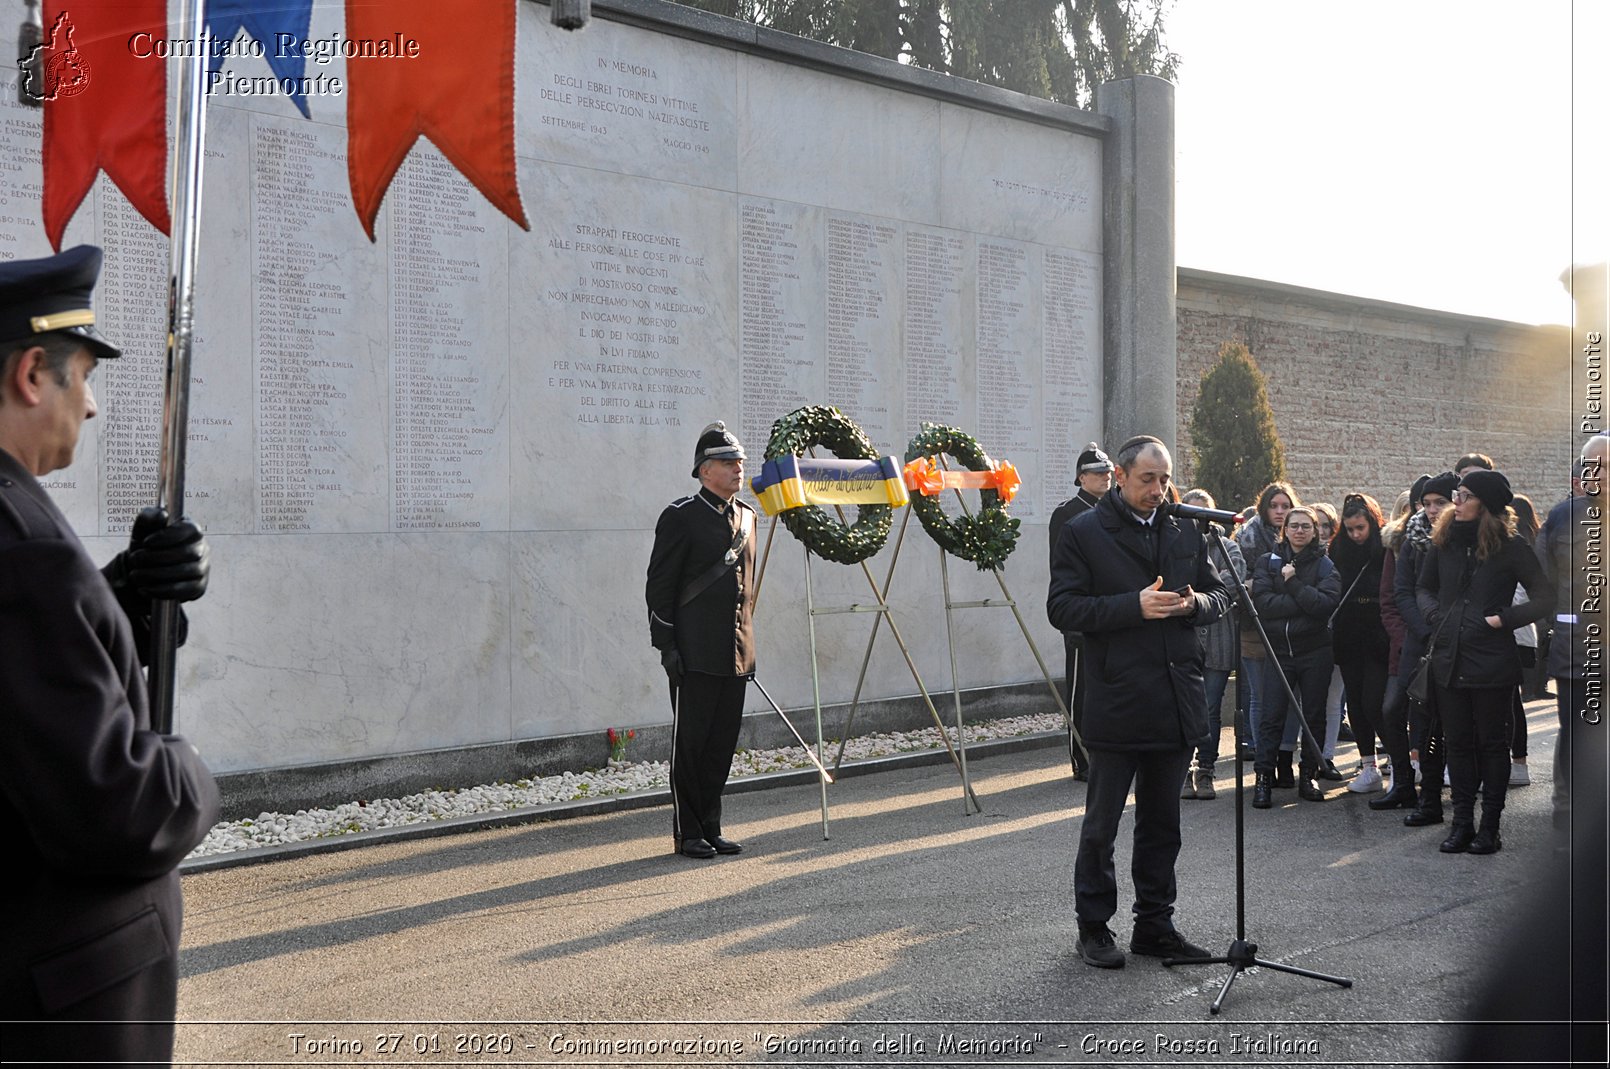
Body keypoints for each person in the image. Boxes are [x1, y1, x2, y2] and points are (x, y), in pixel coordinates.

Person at [0, 246, 219, 1063]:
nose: (90, 406)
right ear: (31, 373)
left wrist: (120, 593)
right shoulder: (23, 543)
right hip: (53, 998)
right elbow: (112, 806)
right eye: (82, 375)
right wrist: (187, 769)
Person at [1047, 435, 1228, 969]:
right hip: (1117, 698)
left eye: (1165, 478)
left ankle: (1155, 924)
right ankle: (1094, 928)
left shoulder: (1185, 528)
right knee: (1101, 826)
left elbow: (1220, 595)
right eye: (1147, 479)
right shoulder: (1083, 531)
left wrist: (1196, 603)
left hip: (1174, 699)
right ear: (1120, 477)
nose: (1159, 489)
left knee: (1162, 824)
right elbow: (1063, 608)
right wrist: (1134, 606)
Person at [1416, 469, 1551, 855]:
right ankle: (1461, 824)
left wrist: (1503, 619)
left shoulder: (1512, 547)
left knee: (1492, 745)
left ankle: (1490, 827)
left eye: (1464, 495)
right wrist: (1432, 616)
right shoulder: (1442, 542)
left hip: (1492, 662)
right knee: (1456, 744)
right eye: (1456, 494)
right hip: (1448, 658)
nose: (1455, 502)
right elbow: (1423, 587)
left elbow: (1544, 597)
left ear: (1486, 505)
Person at [645, 421, 757, 860]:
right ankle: (687, 831)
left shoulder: (747, 517)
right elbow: (659, 589)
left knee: (720, 746)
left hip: (734, 655)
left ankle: (712, 825)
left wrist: (747, 647)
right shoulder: (681, 517)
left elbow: (747, 590)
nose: (738, 469)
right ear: (704, 470)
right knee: (690, 747)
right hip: (693, 654)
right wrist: (667, 647)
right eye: (729, 463)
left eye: (740, 462)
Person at [1538, 439, 1608, 835]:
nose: (1603, 474)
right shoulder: (1563, 517)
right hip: (1577, 654)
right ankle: (1569, 822)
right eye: (1594, 466)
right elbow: (1542, 583)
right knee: (1576, 737)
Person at [1249, 505, 1341, 807]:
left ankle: (1308, 776)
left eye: (1306, 526)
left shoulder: (1326, 566)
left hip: (1314, 652)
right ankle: (1263, 778)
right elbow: (1263, 604)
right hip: (1278, 652)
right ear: (1284, 530)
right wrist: (1302, 600)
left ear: (1315, 531)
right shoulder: (1267, 562)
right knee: (1271, 716)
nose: (1299, 531)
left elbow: (1323, 606)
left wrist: (1292, 584)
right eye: (1294, 525)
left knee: (1313, 715)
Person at [1330, 494, 1405, 795]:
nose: (1355, 535)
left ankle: (1401, 763)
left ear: (1372, 522)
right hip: (1349, 631)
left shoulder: (1385, 546)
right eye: (1350, 529)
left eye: (1360, 528)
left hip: (1378, 630)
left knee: (1375, 703)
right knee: (1357, 705)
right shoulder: (1339, 548)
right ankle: (1368, 765)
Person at [1049, 442, 1114, 781]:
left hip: (1111, 613)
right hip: (1082, 613)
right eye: (1098, 473)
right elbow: (1060, 568)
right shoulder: (1067, 513)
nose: (1105, 478)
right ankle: (1081, 757)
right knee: (1081, 690)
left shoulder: (1114, 510)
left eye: (1108, 472)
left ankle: (1106, 754)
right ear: (1081, 477)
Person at [1398, 471, 1458, 828]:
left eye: (1440, 502)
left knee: (1457, 727)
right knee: (1423, 724)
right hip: (1423, 642)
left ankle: (1463, 802)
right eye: (1427, 503)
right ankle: (1428, 797)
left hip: (1459, 642)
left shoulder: (1459, 537)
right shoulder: (1413, 539)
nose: (1433, 510)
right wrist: (1425, 628)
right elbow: (1404, 591)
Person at [1180, 489, 1244, 801]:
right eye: (1191, 513)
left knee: (1209, 709)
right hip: (1184, 640)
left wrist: (1200, 592)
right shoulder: (1174, 545)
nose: (1197, 520)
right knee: (1181, 707)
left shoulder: (1227, 546)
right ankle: (1180, 772)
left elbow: (1230, 586)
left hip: (1217, 641)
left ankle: (1205, 771)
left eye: (1203, 513)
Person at [1235, 482, 1298, 772]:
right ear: (1264, 507)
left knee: (1288, 696)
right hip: (1256, 625)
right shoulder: (1248, 535)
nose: (1280, 511)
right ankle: (1262, 759)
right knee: (1260, 696)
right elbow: (1239, 581)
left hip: (1290, 626)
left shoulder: (1297, 533)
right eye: (1274, 506)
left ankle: (1284, 758)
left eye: (1285, 506)